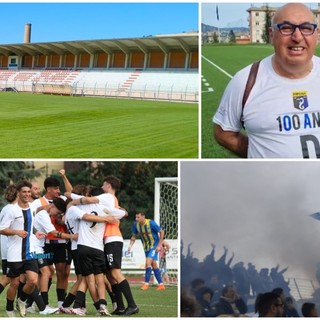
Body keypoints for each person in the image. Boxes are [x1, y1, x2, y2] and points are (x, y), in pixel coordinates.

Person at [213, 3, 320, 158]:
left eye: (306, 28)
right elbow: (223, 132)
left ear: (316, 34)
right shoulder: (245, 80)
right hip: (273, 182)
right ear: (271, 35)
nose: (297, 37)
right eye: (286, 28)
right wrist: (259, 154)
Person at [0, 181, 58, 316]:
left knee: (32, 280)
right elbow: (2, 229)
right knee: (13, 284)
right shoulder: (11, 210)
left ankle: (21, 300)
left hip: (30, 252)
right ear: (18, 193)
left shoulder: (31, 208)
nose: (27, 194)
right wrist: (16, 232)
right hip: (14, 253)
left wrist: (35, 232)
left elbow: (29, 226)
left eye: (28, 192)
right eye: (24, 192)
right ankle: (9, 309)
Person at [32, 176, 69, 308]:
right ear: (48, 189)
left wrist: (64, 176)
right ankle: (38, 303)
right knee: (44, 273)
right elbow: (32, 215)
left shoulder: (62, 200)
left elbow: (71, 197)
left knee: (60, 272)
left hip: (58, 244)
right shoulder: (39, 203)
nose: (58, 190)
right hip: (44, 245)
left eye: (59, 188)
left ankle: (58, 303)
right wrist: (73, 237)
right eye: (55, 188)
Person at [128, 212, 165, 291]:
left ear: (143, 217)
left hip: (154, 246)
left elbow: (161, 231)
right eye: (136, 217)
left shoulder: (151, 223)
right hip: (146, 247)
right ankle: (161, 285)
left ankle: (146, 284)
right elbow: (133, 236)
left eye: (138, 217)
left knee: (148, 262)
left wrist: (159, 245)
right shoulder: (136, 225)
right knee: (154, 264)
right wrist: (130, 246)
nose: (136, 219)